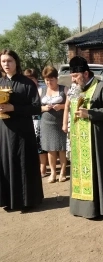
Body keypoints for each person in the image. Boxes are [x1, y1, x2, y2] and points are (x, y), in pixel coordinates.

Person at [62, 56, 103, 219]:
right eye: (72, 76)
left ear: (85, 74)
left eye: (75, 76)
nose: (73, 80)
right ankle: (81, 208)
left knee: (100, 173)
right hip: (80, 140)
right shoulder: (74, 89)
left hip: (99, 141)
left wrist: (90, 113)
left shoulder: (102, 87)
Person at [0, 49, 44, 210]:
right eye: (3, 61)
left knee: (23, 164)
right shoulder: (0, 82)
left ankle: (27, 201)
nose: (6, 64)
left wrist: (14, 108)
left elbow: (36, 108)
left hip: (23, 131)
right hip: (4, 131)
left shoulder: (27, 83)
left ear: (16, 62)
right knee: (6, 164)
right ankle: (9, 200)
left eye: (9, 61)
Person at [40, 66, 68, 183]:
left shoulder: (64, 89)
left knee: (61, 148)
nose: (49, 82)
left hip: (60, 122)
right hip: (47, 123)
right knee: (50, 149)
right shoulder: (42, 90)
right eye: (46, 80)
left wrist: (61, 106)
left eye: (51, 79)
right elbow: (35, 107)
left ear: (56, 79)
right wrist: (44, 108)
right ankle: (53, 172)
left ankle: (63, 172)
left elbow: (70, 104)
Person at [24, 68, 48, 177]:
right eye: (27, 79)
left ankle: (42, 169)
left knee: (40, 146)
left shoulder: (42, 89)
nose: (30, 81)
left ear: (36, 79)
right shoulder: (23, 89)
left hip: (40, 120)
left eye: (32, 78)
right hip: (28, 121)